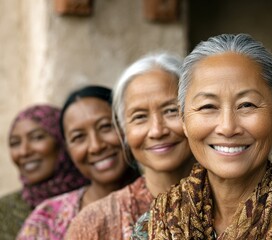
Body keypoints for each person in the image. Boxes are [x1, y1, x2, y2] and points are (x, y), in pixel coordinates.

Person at [131, 34, 272, 239]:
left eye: (247, 105)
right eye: (208, 106)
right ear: (183, 120)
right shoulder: (154, 226)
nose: (228, 127)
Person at [65, 53, 195, 240]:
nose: (157, 131)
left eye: (171, 111)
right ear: (123, 131)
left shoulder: (237, 204)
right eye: (140, 117)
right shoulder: (95, 224)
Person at [16, 85, 140, 240]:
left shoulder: (167, 201)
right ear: (67, 150)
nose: (96, 146)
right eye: (79, 137)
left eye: (105, 127)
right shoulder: (47, 219)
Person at [0, 104, 88, 240]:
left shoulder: (92, 197)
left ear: (62, 140)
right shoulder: (4, 211)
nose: (24, 151)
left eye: (37, 137)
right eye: (15, 143)